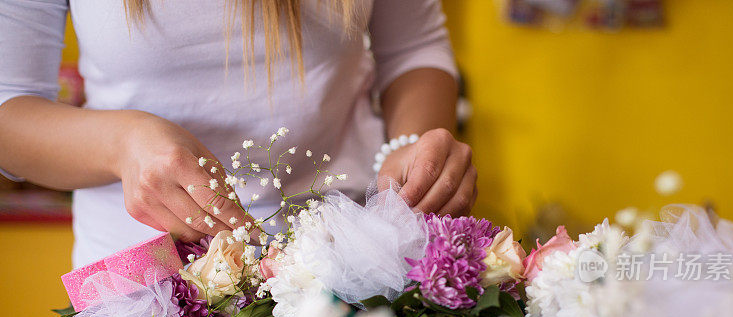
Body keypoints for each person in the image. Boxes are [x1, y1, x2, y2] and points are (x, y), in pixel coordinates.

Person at [0, 0, 476, 267]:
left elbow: (415, 49)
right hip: (144, 289)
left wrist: (412, 145)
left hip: (353, 264)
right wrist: (124, 144)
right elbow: (9, 110)